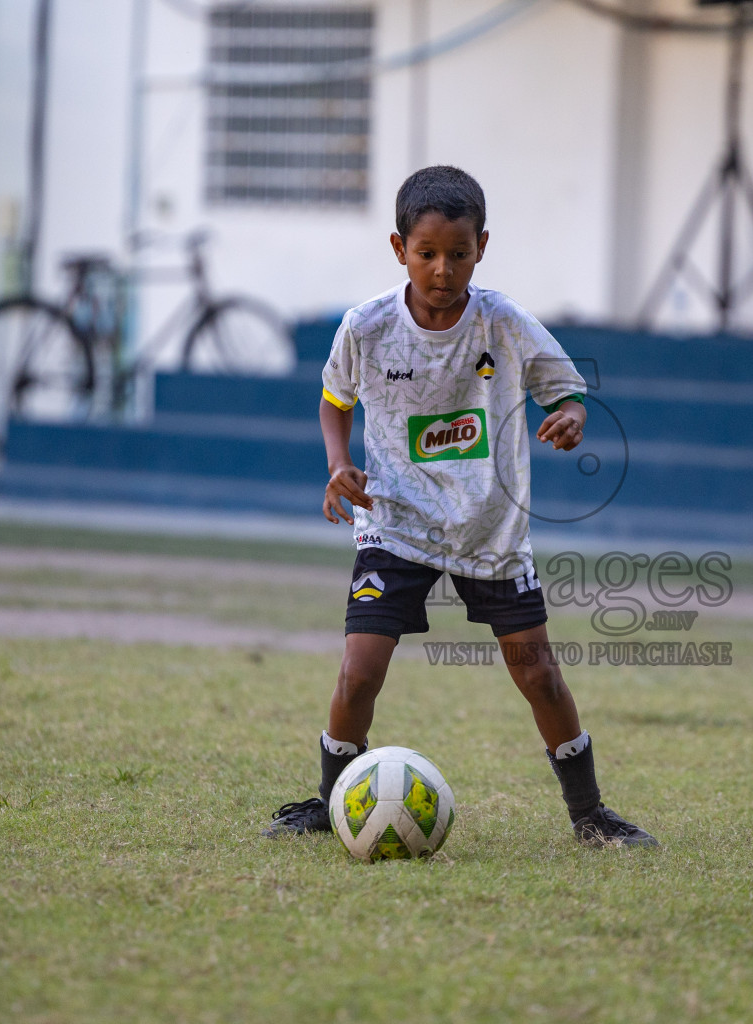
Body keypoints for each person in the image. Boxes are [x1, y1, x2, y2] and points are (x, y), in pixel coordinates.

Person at [262, 166, 657, 848]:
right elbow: (334, 399)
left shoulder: (503, 324)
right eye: (427, 254)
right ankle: (333, 805)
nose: (442, 269)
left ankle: (590, 815)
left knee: (539, 675)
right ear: (399, 249)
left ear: (482, 247)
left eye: (458, 253)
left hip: (489, 529)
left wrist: (569, 416)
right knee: (358, 674)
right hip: (395, 524)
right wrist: (338, 464)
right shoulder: (368, 326)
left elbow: (567, 391)